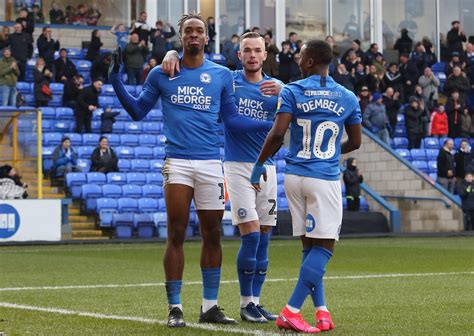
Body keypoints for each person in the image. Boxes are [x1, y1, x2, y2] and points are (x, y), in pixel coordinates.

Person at [109, 12, 273, 327]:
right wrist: (116, 81)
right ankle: (175, 308)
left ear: (206, 37)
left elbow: (232, 120)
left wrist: (270, 125)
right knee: (176, 232)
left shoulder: (222, 75)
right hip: (178, 162)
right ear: (181, 37)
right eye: (189, 31)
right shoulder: (161, 73)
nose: (194, 35)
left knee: (213, 233)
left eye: (199, 30)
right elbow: (137, 111)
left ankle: (209, 306)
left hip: (212, 162)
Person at [162, 31, 284, 323]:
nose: (252, 55)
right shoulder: (227, 80)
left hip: (267, 167)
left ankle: (255, 302)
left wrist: (284, 90)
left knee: (264, 239)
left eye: (258, 50)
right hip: (235, 166)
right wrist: (170, 54)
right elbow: (193, 66)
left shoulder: (276, 88)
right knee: (252, 235)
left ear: (265, 55)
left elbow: (288, 121)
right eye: (247, 50)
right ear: (238, 55)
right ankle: (244, 303)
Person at [250, 39, 361, 333]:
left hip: (295, 177)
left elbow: (277, 134)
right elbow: (357, 142)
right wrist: (333, 152)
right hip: (323, 178)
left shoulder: (292, 91)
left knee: (309, 246)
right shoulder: (347, 97)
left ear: (310, 61)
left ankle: (322, 310)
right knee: (324, 248)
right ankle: (292, 311)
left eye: (301, 56)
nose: (298, 60)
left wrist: (259, 164)